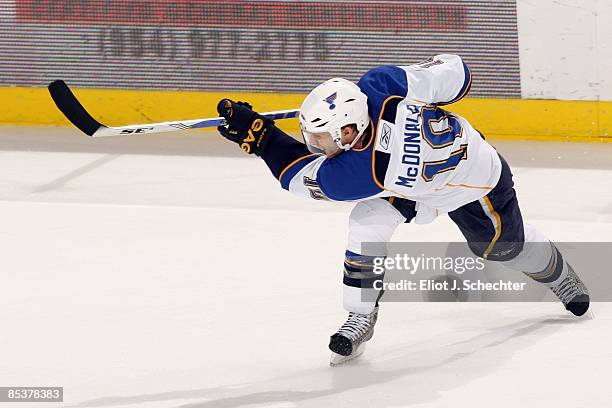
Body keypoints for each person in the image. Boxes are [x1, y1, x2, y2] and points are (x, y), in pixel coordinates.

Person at [216, 54, 590, 365]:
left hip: (472, 183)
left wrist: (261, 137)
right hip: (411, 183)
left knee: (504, 249)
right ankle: (361, 315)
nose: (314, 145)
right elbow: (458, 74)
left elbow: (299, 176)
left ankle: (558, 272)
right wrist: (427, 83)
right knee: (366, 224)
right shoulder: (379, 86)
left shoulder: (360, 171)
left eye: (320, 138)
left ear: (348, 131)